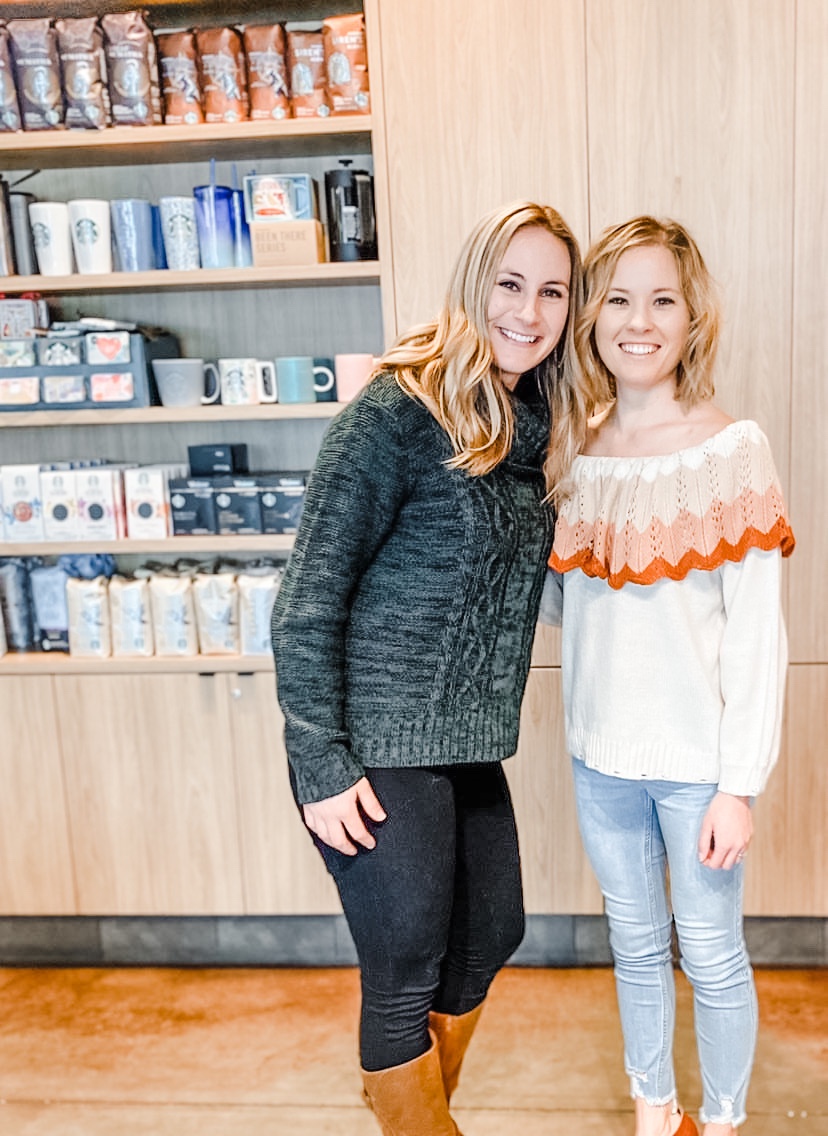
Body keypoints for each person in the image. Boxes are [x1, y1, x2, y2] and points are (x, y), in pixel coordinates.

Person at [271, 200, 585, 1135]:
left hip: (465, 739)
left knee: (491, 933)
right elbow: (307, 599)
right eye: (510, 283)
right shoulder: (397, 413)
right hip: (371, 742)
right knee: (406, 962)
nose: (528, 311)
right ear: (472, 284)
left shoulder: (537, 426)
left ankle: (406, 1106)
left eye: (553, 291)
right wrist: (320, 761)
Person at [541, 216, 795, 1136]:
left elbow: (757, 636)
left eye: (662, 301)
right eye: (617, 299)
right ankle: (657, 1111)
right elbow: (568, 603)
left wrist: (739, 785)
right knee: (636, 948)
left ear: (693, 319)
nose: (638, 321)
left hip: (698, 768)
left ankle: (721, 1122)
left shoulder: (733, 452)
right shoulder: (570, 450)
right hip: (599, 756)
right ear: (591, 318)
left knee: (714, 954)